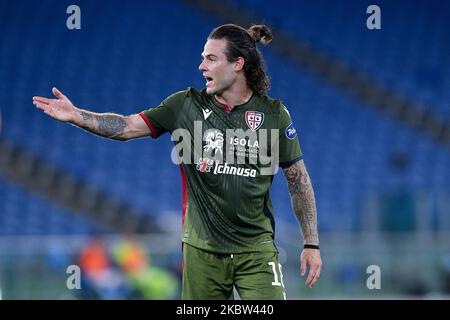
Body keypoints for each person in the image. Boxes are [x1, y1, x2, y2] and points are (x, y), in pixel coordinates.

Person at [33, 23, 322, 300]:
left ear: (238, 64)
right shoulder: (184, 105)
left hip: (257, 250)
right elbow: (126, 127)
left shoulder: (273, 114)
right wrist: (77, 116)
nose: (202, 66)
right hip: (201, 252)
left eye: (211, 58)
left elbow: (298, 179)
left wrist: (311, 243)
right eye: (202, 58)